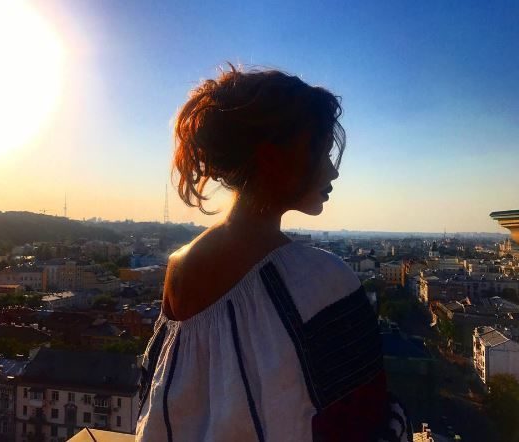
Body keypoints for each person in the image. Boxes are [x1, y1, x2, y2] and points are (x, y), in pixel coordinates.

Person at [136, 65, 411, 442]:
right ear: (272, 158)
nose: (332, 172)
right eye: (320, 153)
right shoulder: (322, 279)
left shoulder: (179, 266)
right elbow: (364, 423)